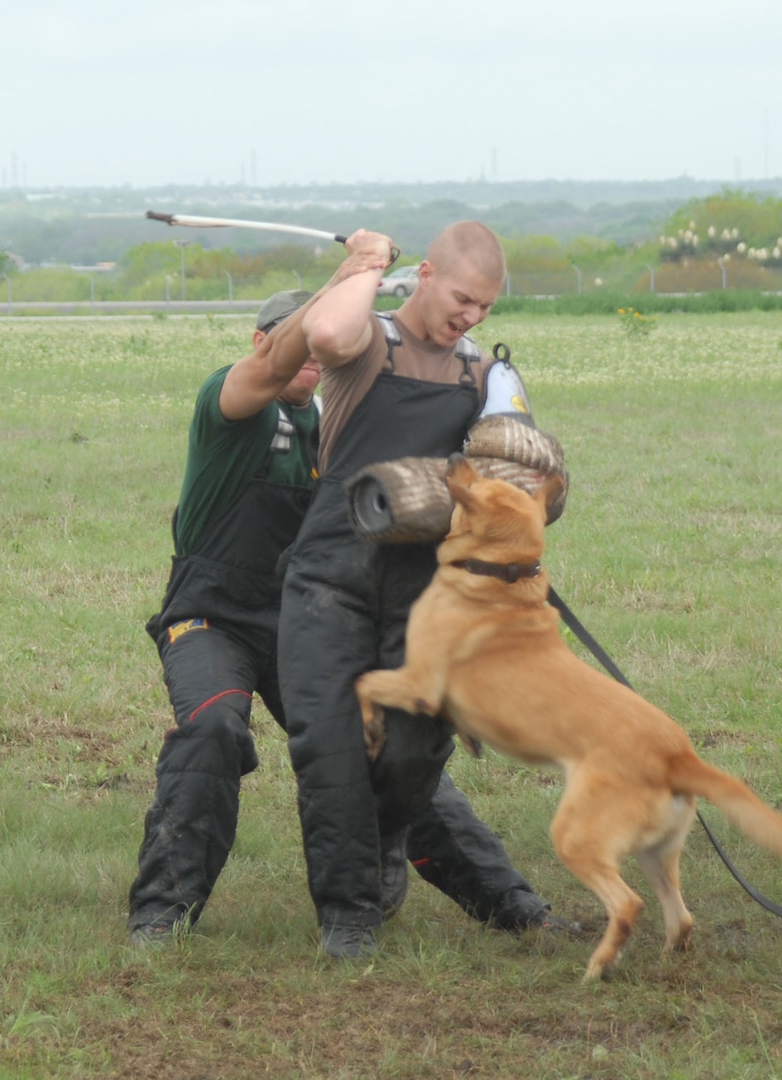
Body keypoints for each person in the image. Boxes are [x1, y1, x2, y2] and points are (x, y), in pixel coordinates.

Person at [128, 232, 560, 949]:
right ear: (265, 341)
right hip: (216, 620)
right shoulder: (232, 407)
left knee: (386, 752)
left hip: (309, 614)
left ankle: (513, 905)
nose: (301, 362)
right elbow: (288, 354)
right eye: (284, 345)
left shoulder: (340, 419)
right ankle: (161, 913)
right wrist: (358, 268)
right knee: (212, 729)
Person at [279, 221, 568, 959]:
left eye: (486, 309)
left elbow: (517, 477)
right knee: (330, 745)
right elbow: (326, 331)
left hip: (425, 585)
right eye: (464, 298)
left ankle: (388, 839)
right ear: (427, 274)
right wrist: (369, 264)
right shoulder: (371, 341)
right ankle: (348, 915)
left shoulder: (485, 376)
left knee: (416, 742)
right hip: (328, 575)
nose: (472, 318)